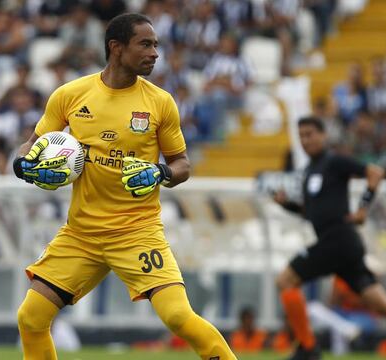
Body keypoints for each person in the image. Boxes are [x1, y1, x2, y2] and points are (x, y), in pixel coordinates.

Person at [12, 13, 236, 360]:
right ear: (116, 48)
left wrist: (160, 173)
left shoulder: (160, 102)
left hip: (137, 232)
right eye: (145, 44)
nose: (155, 53)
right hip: (82, 234)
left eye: (156, 45)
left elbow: (183, 165)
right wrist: (23, 164)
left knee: (178, 316)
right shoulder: (70, 95)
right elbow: (32, 144)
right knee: (31, 317)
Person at [272, 116, 386, 360]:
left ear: (323, 135)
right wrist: (287, 206)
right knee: (380, 302)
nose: (306, 140)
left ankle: (307, 347)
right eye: (301, 136)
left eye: (310, 134)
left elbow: (374, 173)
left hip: (339, 239)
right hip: (341, 245)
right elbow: (312, 212)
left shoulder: (334, 161)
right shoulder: (308, 172)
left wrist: (363, 207)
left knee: (286, 280)